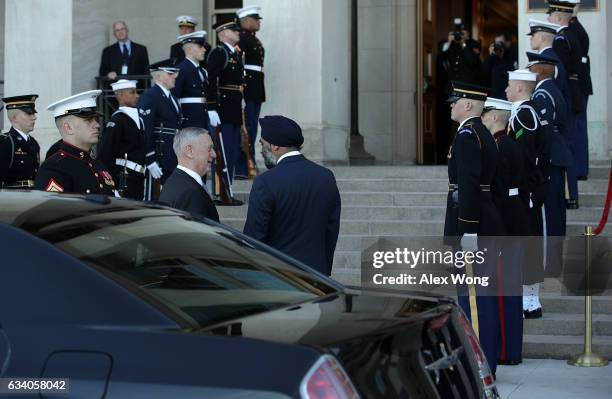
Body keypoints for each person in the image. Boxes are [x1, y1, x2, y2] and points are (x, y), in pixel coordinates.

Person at [444, 81, 504, 374]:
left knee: (474, 301)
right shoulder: (482, 133)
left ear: (468, 104)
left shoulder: (469, 135)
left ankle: (481, 368)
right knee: (481, 297)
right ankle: (485, 362)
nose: (451, 105)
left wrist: (468, 230)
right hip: (484, 220)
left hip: (473, 226)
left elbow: (469, 185)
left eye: (455, 101)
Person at [243, 116, 341, 276]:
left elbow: (254, 237)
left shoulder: (265, 181)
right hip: (317, 275)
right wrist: (324, 270)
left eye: (262, 144)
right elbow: (331, 229)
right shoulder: (326, 176)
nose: (260, 150)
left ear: (275, 146)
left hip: (279, 278)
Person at [482, 98, 528, 366]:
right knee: (511, 289)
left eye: (486, 114)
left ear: (496, 117)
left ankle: (505, 351)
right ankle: (511, 349)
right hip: (516, 215)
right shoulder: (511, 143)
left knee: (505, 290)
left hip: (505, 219)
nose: (484, 119)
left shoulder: (499, 146)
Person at [505, 70, 547, 319]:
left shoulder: (523, 115)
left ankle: (529, 300)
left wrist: (520, 189)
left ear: (520, 88)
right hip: (530, 188)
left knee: (527, 243)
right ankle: (529, 299)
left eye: (510, 85)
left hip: (526, 189)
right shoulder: (526, 113)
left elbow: (523, 156)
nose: (506, 90)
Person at [527, 52, 572, 282]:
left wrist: (537, 159)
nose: (528, 72)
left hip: (551, 159)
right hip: (558, 157)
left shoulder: (543, 94)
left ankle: (550, 264)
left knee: (550, 215)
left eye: (531, 67)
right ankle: (554, 263)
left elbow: (544, 132)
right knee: (556, 214)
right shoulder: (552, 90)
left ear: (540, 71)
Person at [34, 90, 117, 195]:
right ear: (68, 128)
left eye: (96, 120)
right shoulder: (54, 168)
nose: (97, 125)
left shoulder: (97, 165)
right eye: (88, 120)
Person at [548, 1, 586, 208]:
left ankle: (570, 195)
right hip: (574, 96)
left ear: (558, 17)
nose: (549, 19)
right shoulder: (573, 34)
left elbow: (562, 75)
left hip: (567, 99)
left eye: (551, 15)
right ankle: (571, 195)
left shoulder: (562, 39)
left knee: (568, 146)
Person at [206, 20, 244, 200]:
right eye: (233, 30)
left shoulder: (234, 53)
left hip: (234, 109)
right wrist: (211, 106)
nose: (238, 32)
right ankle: (222, 193)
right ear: (222, 34)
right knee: (223, 151)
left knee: (233, 151)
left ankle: (228, 190)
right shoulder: (219, 53)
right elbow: (211, 80)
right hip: (223, 109)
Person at [97, 80, 146, 199]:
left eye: (136, 92)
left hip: (137, 177)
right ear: (120, 95)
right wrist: (111, 185)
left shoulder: (138, 118)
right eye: (132, 92)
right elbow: (104, 154)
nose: (137, 95)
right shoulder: (117, 120)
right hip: (123, 177)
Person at [138, 59, 182, 188]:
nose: (174, 76)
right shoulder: (151, 96)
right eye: (170, 73)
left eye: (174, 73)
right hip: (159, 156)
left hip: (172, 155)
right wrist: (150, 159)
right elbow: (145, 128)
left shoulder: (171, 97)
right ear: (158, 76)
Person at [159, 127, 219, 222]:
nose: (214, 154)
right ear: (189, 151)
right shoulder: (190, 192)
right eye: (209, 148)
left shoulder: (176, 182)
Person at [235, 5, 265, 178]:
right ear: (246, 21)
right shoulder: (242, 39)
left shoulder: (253, 39)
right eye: (255, 19)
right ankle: (243, 166)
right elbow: (239, 66)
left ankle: (249, 163)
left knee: (252, 129)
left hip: (256, 90)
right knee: (246, 130)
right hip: (248, 90)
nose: (258, 22)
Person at [567, 1, 592, 181]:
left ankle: (579, 169)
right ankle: (579, 169)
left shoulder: (574, 30)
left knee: (576, 130)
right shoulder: (576, 29)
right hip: (580, 87)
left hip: (577, 88)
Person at [172, 31, 211, 129]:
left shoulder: (202, 71)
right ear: (189, 49)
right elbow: (175, 96)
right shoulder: (180, 70)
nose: (204, 49)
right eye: (200, 46)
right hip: (189, 118)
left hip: (203, 116)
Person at [0, 95, 40, 189]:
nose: (34, 117)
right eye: (29, 114)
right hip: (12, 199)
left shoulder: (34, 143)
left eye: (34, 113)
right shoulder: (6, 143)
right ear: (14, 118)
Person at [482, 33, 517, 99]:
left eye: (500, 43)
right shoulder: (492, 57)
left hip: (508, 94)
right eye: (496, 44)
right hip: (494, 94)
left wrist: (502, 57)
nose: (498, 46)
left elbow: (511, 74)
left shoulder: (513, 56)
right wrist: (490, 55)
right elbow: (484, 72)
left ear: (508, 43)